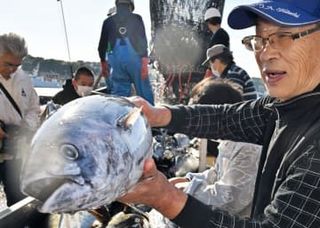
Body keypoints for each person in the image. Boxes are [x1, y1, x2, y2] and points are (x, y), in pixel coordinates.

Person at [119, 0, 320, 227]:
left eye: (283, 36)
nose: (266, 54)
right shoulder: (284, 106)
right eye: (260, 40)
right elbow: (228, 118)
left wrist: (165, 197)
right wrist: (159, 115)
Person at [0, 33, 40, 206]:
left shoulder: (24, 78)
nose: (13, 70)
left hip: (15, 151)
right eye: (8, 64)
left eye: (17, 65)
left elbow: (34, 108)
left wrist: (25, 126)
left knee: (18, 200)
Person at [98, 0, 154, 105]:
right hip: (135, 62)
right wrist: (144, 63)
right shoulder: (137, 18)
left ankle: (119, 117)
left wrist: (103, 63)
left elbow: (101, 46)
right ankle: (150, 118)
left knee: (119, 96)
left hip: (116, 64)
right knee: (144, 93)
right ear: (131, 5)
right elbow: (142, 41)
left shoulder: (108, 22)